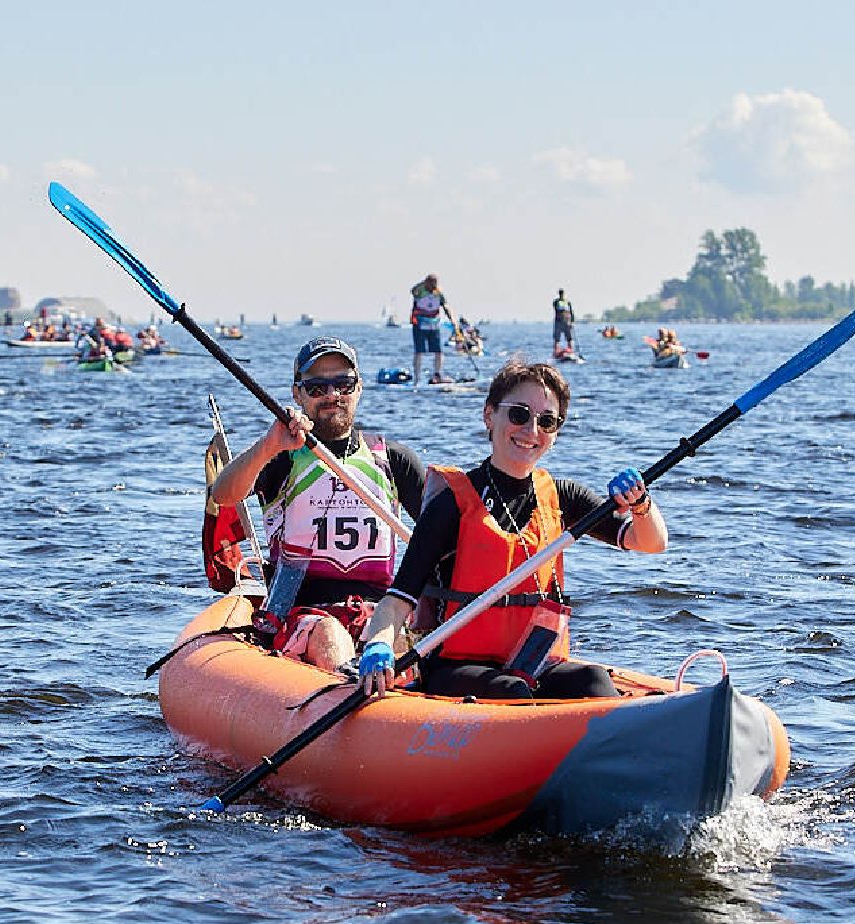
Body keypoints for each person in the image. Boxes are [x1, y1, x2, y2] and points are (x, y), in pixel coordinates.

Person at [356, 360, 667, 702]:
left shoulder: (564, 497)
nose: (531, 430)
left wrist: (641, 505)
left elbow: (650, 543)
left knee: (591, 680)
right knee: (511, 690)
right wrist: (380, 644)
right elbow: (397, 601)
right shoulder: (452, 504)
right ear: (489, 415)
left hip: (533, 664)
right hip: (456, 669)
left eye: (546, 421)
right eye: (519, 414)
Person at [210, 336, 427, 671]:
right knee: (329, 634)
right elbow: (223, 495)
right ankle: (346, 697)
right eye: (317, 387)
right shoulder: (283, 456)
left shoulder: (393, 460)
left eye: (343, 384)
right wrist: (269, 445)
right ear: (297, 394)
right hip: (303, 612)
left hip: (379, 609)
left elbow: (440, 536)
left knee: (394, 640)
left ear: (359, 389)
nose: (332, 395)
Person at [410, 273, 452, 384]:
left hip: (434, 326)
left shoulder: (438, 293)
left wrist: (452, 319)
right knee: (419, 351)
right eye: (431, 282)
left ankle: (437, 374)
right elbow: (413, 291)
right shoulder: (420, 291)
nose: (433, 285)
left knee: (438, 351)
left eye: (435, 282)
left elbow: (445, 306)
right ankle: (417, 378)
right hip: (419, 326)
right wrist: (424, 283)